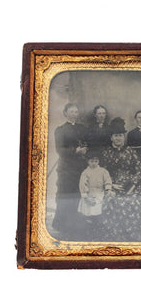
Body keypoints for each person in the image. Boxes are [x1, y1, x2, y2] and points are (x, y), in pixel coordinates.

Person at [100, 117, 141, 242]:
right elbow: (103, 172)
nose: (118, 138)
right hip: (113, 185)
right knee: (111, 200)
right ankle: (116, 237)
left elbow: (138, 170)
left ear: (124, 137)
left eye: (121, 136)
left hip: (132, 186)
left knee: (135, 200)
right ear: (111, 137)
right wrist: (111, 184)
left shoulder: (131, 152)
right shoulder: (106, 153)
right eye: (116, 136)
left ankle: (134, 237)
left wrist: (133, 186)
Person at [52, 103, 88, 240]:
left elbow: (87, 143)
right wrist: (75, 151)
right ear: (65, 113)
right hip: (66, 168)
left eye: (76, 111)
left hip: (80, 167)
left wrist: (85, 149)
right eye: (71, 111)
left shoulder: (82, 128)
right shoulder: (60, 130)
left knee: (78, 196)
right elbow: (59, 150)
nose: (74, 114)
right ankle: (63, 226)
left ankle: (76, 227)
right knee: (65, 196)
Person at [77, 151, 112, 240]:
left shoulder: (103, 171)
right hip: (90, 194)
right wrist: (85, 195)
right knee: (89, 213)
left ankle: (98, 232)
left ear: (98, 161)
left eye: (96, 161)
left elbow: (107, 180)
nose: (94, 163)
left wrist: (108, 188)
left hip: (100, 194)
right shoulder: (85, 172)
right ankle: (89, 232)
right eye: (92, 161)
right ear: (88, 162)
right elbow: (83, 184)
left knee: (98, 213)